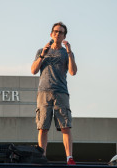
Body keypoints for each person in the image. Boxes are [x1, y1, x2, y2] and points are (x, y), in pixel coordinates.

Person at [31, 22, 77, 165]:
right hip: (44, 92)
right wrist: (42, 55)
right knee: (43, 127)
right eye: (55, 31)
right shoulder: (41, 51)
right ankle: (41, 156)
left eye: (61, 32)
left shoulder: (66, 53)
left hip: (61, 92)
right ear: (51, 34)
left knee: (65, 126)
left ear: (64, 36)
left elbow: (73, 72)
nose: (58, 34)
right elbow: (33, 70)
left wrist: (69, 52)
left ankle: (69, 157)